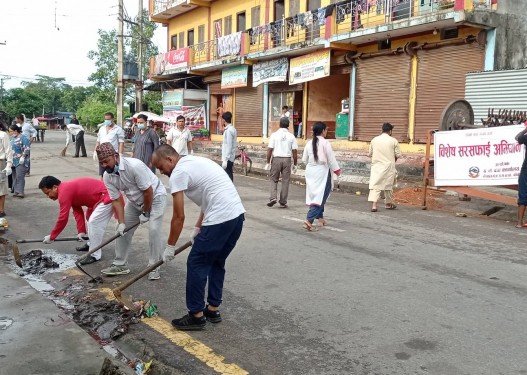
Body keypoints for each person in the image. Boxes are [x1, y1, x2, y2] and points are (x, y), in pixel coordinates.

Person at [151, 144, 245, 331]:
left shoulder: (179, 172)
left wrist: (170, 246)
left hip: (220, 219)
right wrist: (197, 227)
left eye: (161, 167)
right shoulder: (196, 162)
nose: (162, 172)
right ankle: (213, 309)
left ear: (170, 159)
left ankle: (196, 315)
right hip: (236, 217)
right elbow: (207, 199)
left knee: (196, 263)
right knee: (216, 261)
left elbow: (178, 217)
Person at [96, 142, 167, 279]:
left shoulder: (134, 166)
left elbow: (148, 191)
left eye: (106, 161)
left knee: (153, 230)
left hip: (156, 196)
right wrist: (122, 222)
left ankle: (154, 266)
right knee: (121, 230)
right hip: (134, 201)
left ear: (115, 156)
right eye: (101, 163)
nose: (104, 166)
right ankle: (120, 264)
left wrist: (146, 212)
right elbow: (116, 200)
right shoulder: (107, 176)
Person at [39, 176, 116, 265]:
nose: (48, 196)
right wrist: (81, 231)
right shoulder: (66, 189)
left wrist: (52, 236)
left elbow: (63, 218)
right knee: (89, 217)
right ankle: (91, 244)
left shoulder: (64, 192)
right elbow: (77, 210)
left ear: (55, 187)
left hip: (108, 196)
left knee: (94, 222)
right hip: (99, 199)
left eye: (48, 193)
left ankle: (95, 255)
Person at [302, 122, 341, 232]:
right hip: (322, 171)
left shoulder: (309, 143)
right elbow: (331, 159)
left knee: (316, 194)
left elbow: (304, 159)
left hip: (310, 170)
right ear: (323, 131)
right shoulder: (325, 143)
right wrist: (337, 171)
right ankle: (309, 220)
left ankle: (320, 218)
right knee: (321, 196)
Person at [265, 117, 298, 208]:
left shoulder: (274, 135)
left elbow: (270, 149)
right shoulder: (291, 136)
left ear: (279, 124)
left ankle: (273, 198)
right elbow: (294, 151)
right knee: (285, 181)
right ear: (288, 125)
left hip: (276, 159)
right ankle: (283, 201)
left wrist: (268, 162)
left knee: (273, 179)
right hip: (287, 159)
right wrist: (295, 164)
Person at [368, 123, 402, 212]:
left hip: (376, 166)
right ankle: (388, 203)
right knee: (388, 186)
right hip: (389, 166)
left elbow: (370, 153)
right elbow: (398, 154)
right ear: (390, 131)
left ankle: (374, 205)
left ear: (382, 130)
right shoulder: (393, 141)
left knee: (375, 186)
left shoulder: (374, 140)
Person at [94, 112, 125, 177]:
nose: (107, 121)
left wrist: (120, 154)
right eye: (105, 119)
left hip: (112, 156)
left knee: (113, 173)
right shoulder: (102, 128)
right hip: (102, 155)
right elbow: (98, 141)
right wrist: (95, 151)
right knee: (102, 174)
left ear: (113, 119)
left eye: (108, 119)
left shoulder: (118, 129)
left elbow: (121, 143)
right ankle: (103, 186)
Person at [8, 124, 30, 198]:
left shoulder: (23, 138)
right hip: (13, 160)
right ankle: (16, 191)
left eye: (11, 131)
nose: (10, 133)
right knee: (14, 176)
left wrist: (23, 157)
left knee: (20, 176)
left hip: (21, 160)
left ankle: (21, 192)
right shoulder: (12, 138)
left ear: (15, 131)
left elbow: (26, 148)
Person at [515, 124, 527, 227]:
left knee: (522, 196)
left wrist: (525, 130)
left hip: (525, 171)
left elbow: (517, 138)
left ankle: (519, 223)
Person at [0, 122, 13, 217]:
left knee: (1, 187)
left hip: (1, 162)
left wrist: (9, 165)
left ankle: (1, 210)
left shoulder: (3, 135)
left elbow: (8, 150)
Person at [221, 111, 237, 181]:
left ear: (224, 120)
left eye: (222, 119)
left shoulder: (229, 130)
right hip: (229, 157)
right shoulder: (231, 129)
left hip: (228, 158)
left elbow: (229, 145)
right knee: (228, 174)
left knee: (228, 175)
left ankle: (230, 190)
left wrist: (225, 159)